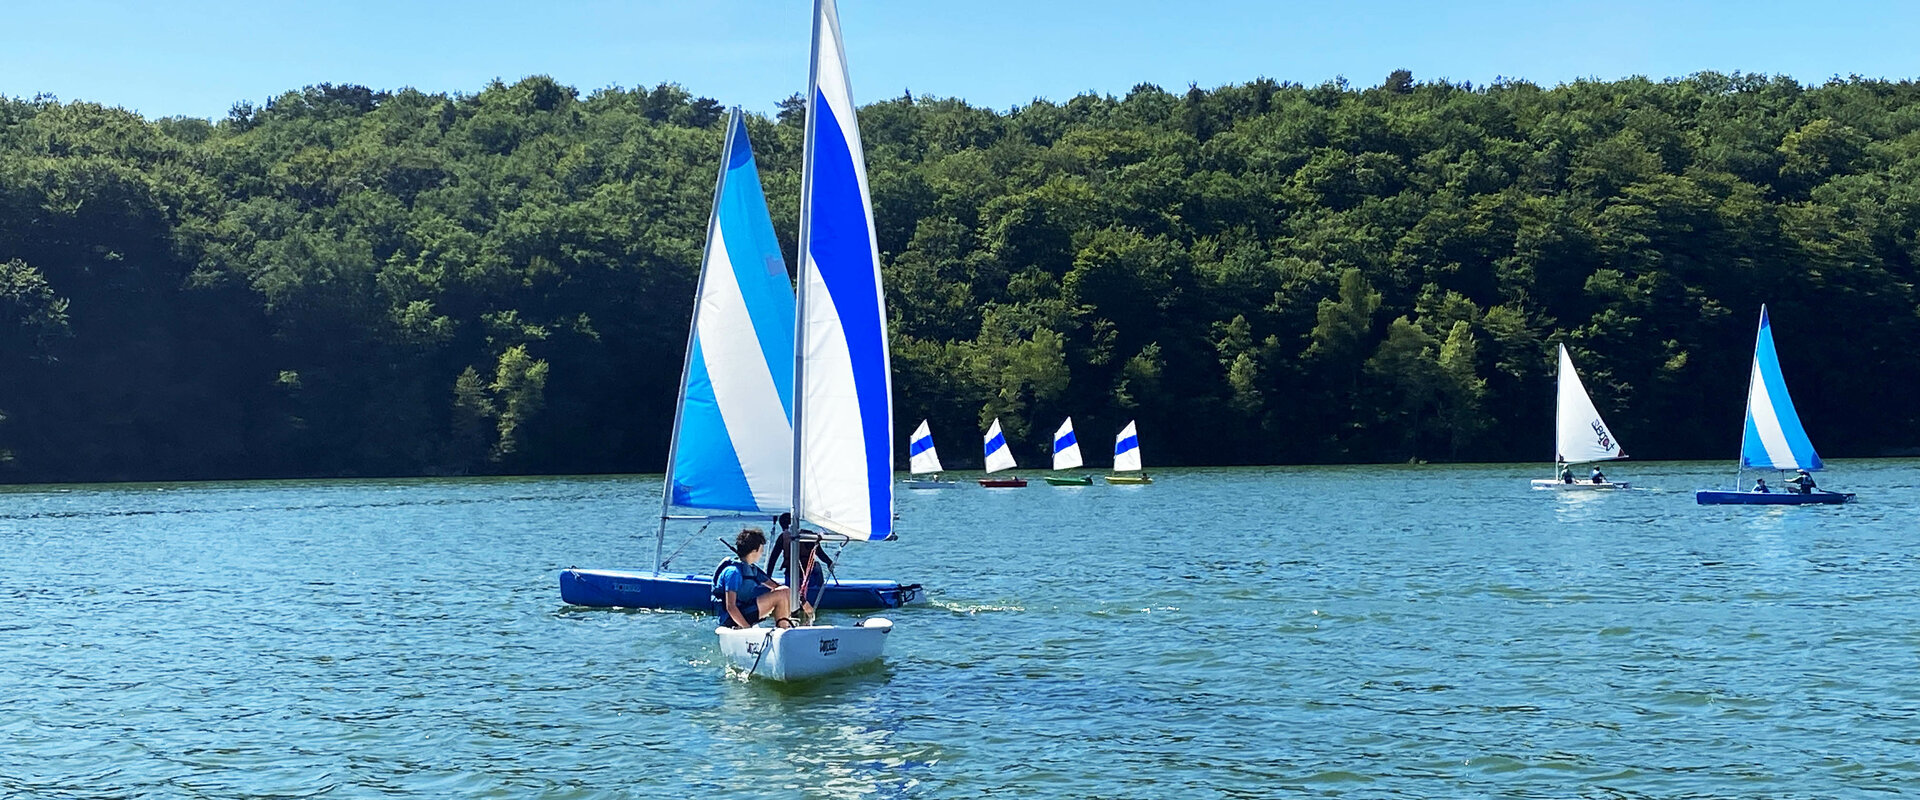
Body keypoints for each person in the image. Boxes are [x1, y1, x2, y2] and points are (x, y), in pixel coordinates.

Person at [713, 527, 793, 629]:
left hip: (745, 610)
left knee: (784, 591)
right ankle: (783, 630)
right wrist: (747, 628)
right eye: (761, 550)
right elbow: (731, 607)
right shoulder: (733, 573)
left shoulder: (751, 569)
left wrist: (802, 602)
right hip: (731, 618)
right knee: (781, 594)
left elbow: (777, 587)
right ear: (754, 551)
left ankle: (784, 628)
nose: (762, 553)